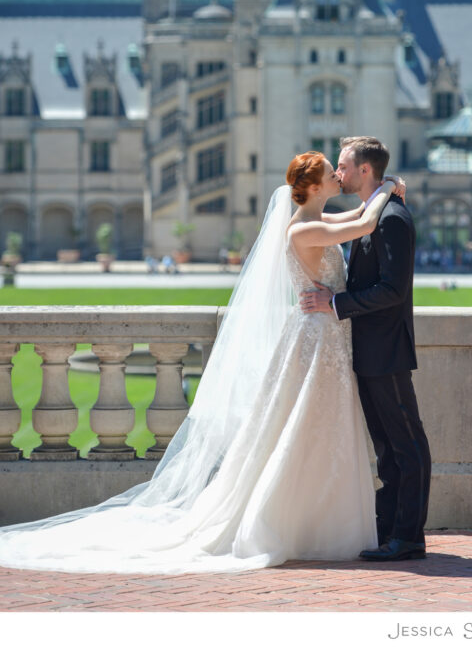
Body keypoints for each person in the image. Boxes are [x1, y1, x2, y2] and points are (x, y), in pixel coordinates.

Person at [0, 153, 400, 575]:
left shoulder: (316, 219)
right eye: (328, 172)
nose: (338, 176)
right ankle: (293, 522)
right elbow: (364, 224)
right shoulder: (303, 227)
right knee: (308, 427)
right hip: (316, 342)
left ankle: (318, 522)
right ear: (315, 186)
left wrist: (380, 190)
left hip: (326, 337)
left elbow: (357, 214)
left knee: (321, 428)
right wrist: (389, 188)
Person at [301, 136, 432, 562]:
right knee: (386, 449)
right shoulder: (375, 210)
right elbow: (361, 226)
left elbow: (392, 290)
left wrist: (336, 304)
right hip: (368, 351)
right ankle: (389, 529)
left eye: (342, 165)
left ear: (363, 170)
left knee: (407, 445)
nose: (337, 173)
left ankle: (408, 536)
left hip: (386, 351)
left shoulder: (392, 216)